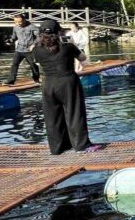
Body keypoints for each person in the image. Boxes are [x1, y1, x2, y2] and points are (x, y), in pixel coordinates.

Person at [31, 20, 99, 155]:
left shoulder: (36, 50)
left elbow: (36, 64)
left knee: (52, 117)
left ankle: (57, 148)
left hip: (48, 84)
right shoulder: (68, 47)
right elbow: (83, 58)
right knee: (74, 113)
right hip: (68, 83)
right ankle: (81, 145)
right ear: (58, 32)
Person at [4, 13, 40, 85]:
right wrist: (10, 41)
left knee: (33, 65)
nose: (18, 23)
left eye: (19, 22)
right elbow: (14, 37)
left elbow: (39, 37)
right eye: (16, 22)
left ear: (24, 20)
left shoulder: (32, 27)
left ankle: (36, 79)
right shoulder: (15, 27)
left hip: (29, 50)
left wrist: (34, 44)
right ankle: (11, 81)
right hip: (19, 49)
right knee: (14, 65)